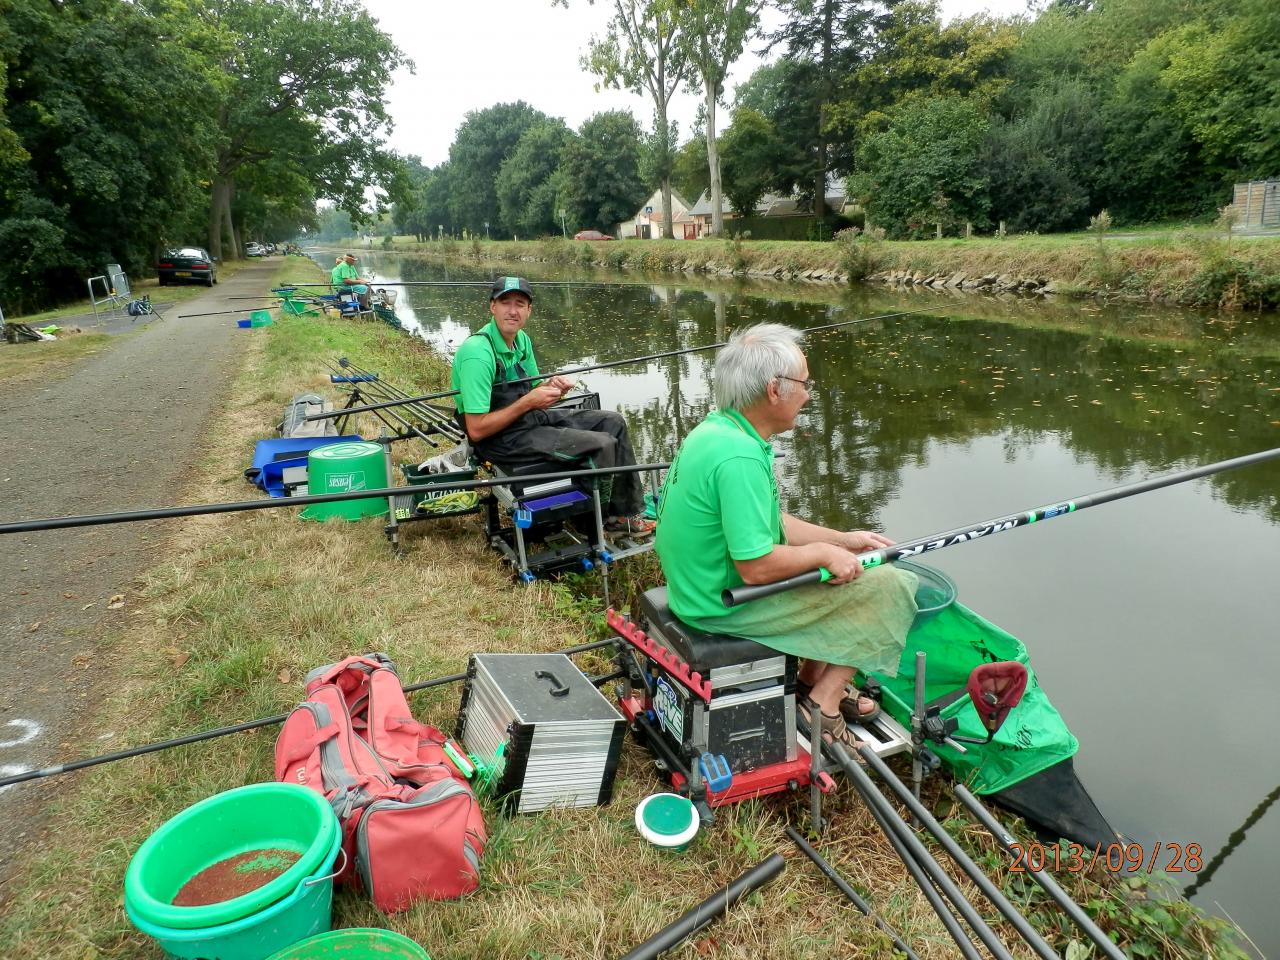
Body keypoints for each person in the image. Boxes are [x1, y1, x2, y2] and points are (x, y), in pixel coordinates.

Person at [654, 323, 918, 747]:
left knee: (848, 568)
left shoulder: (720, 430)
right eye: (804, 384)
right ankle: (823, 705)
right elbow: (756, 566)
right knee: (892, 586)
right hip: (718, 602)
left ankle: (807, 684)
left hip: (698, 587)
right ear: (775, 389)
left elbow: (771, 523)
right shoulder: (738, 456)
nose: (809, 395)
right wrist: (821, 555)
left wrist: (842, 541)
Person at [450, 276, 655, 536]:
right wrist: (529, 402)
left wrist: (553, 390)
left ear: (529, 310)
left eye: (520, 304)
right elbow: (477, 430)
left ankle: (622, 514)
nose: (512, 311)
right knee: (602, 445)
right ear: (492, 307)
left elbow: (534, 394)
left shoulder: (521, 340)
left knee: (613, 422)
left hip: (527, 420)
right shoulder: (478, 353)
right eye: (505, 303)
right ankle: (590, 524)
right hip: (499, 438)